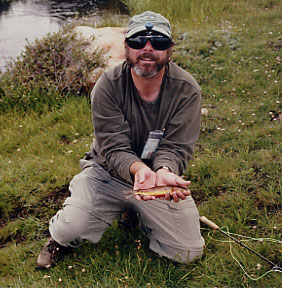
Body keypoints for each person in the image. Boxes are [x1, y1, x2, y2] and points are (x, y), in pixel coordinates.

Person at [36, 11, 205, 269]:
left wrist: (163, 171)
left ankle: (139, 215)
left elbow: (176, 146)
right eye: (138, 41)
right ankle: (58, 240)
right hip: (107, 173)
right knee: (70, 230)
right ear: (126, 46)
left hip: (156, 181)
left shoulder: (187, 90)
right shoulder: (107, 86)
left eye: (158, 42)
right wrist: (138, 170)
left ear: (169, 50)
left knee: (188, 252)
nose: (147, 49)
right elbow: (113, 146)